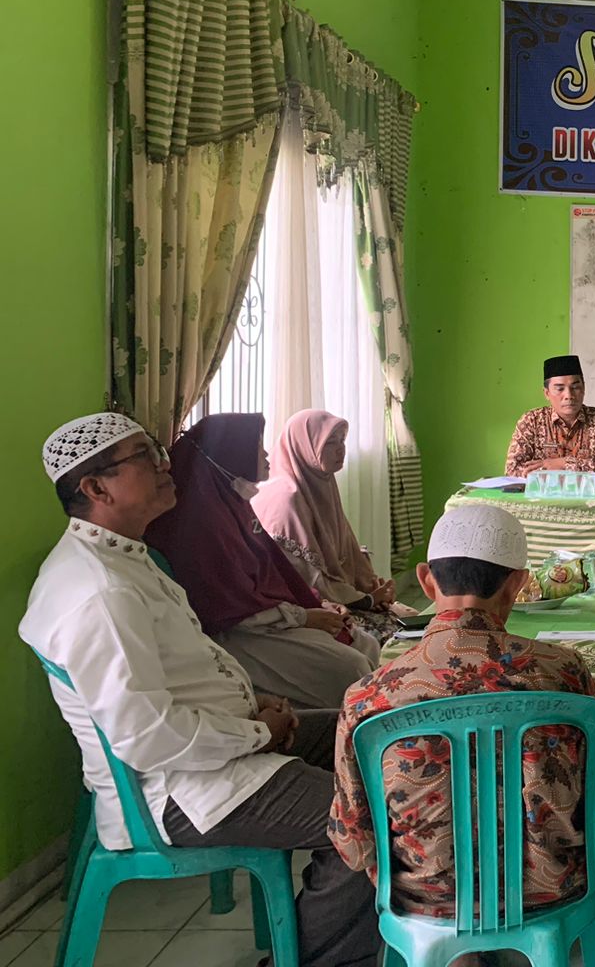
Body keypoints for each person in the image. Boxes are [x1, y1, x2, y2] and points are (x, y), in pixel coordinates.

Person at [20, 412, 381, 967]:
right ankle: (320, 957)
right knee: (377, 817)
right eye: (146, 457)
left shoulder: (124, 556)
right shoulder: (100, 592)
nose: (168, 465)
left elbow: (181, 675)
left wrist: (253, 710)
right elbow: (146, 737)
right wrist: (258, 732)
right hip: (183, 792)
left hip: (214, 757)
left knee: (372, 737)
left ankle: (345, 922)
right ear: (95, 488)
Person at [329, 504, 595, 967]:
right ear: (518, 584)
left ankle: (457, 953)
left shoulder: (370, 696)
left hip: (424, 896)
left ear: (427, 580)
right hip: (554, 886)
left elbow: (353, 838)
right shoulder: (562, 672)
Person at [145, 414, 376, 710]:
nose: (266, 454)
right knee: (350, 667)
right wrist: (303, 616)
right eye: (256, 446)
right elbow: (224, 605)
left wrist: (315, 605)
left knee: (364, 643)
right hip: (237, 632)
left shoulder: (233, 501)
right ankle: (339, 732)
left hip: (269, 617)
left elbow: (274, 571)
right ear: (232, 452)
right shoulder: (201, 524)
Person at [254, 409, 403, 642]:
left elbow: (347, 548)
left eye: (342, 440)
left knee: (412, 621)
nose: (340, 449)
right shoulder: (286, 497)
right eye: (329, 442)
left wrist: (373, 586)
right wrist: (367, 599)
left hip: (341, 596)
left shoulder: (322, 481)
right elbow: (304, 576)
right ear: (304, 445)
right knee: (390, 639)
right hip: (307, 609)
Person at [505, 354, 595, 477]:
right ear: (547, 393)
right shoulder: (531, 421)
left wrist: (564, 464)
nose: (569, 395)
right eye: (560, 389)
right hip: (544, 495)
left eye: (575, 387)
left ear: (583, 388)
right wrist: (549, 470)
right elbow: (513, 470)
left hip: (590, 496)